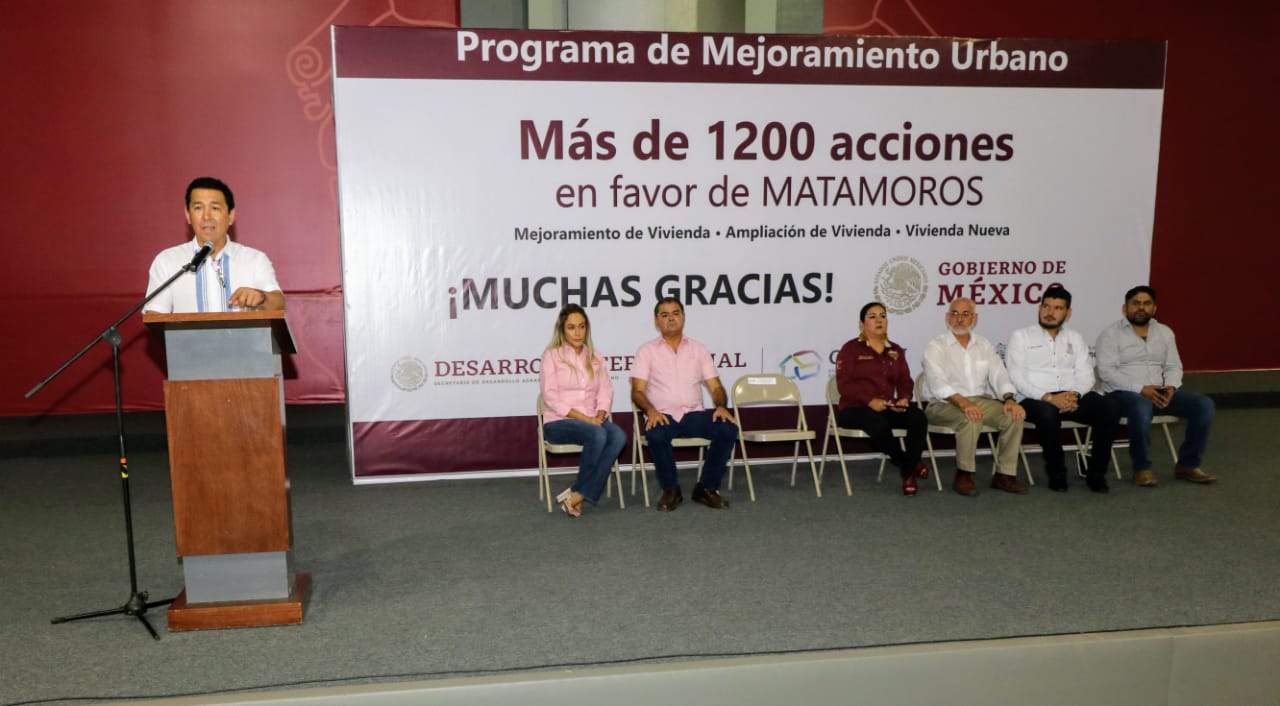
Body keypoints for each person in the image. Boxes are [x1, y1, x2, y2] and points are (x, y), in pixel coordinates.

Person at [1095, 285, 1216, 487]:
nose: (1141, 308)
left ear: (1154, 308)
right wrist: (1141, 389)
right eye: (1136, 304)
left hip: (1160, 393)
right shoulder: (1110, 335)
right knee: (1141, 405)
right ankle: (1141, 468)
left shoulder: (1165, 333)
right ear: (1125, 308)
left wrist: (1171, 388)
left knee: (1204, 405)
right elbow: (1107, 372)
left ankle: (1187, 465)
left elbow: (1173, 366)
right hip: (1123, 395)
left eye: (1146, 304)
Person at [1005, 286, 1119, 493]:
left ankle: (1096, 474)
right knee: (1048, 415)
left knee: (1108, 409)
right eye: (1046, 306)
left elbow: (1086, 374)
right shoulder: (1020, 336)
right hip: (1034, 397)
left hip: (1070, 394)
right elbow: (1016, 377)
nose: (1050, 312)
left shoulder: (1075, 338)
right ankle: (1057, 474)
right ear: (1039, 308)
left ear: (1068, 313)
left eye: (1057, 308)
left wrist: (1074, 395)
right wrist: (1049, 397)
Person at [630, 297, 738, 511]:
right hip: (662, 415)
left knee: (727, 428)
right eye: (665, 315)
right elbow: (637, 391)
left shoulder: (698, 349)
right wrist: (651, 411)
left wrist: (721, 406)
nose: (671, 318)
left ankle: (707, 488)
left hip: (693, 415)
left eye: (676, 313)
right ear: (657, 321)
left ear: (683, 317)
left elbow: (715, 386)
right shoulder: (646, 351)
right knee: (655, 435)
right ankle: (671, 490)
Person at [921, 297, 1027, 496]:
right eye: (954, 313)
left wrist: (1009, 399)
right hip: (942, 404)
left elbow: (999, 373)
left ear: (974, 318)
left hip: (979, 401)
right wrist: (963, 403)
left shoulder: (984, 344)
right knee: (970, 418)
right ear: (947, 317)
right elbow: (938, 384)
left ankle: (1004, 475)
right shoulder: (936, 346)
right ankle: (964, 474)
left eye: (965, 314)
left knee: (1014, 416)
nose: (959, 319)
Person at [145, 177, 285, 314]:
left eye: (215, 208)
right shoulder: (167, 261)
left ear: (231, 215)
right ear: (188, 215)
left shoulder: (255, 259)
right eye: (198, 208)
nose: (207, 216)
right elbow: (155, 316)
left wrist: (261, 297)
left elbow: (279, 304)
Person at [539, 304, 627, 517]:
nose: (577, 332)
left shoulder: (595, 357)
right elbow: (550, 397)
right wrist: (586, 419)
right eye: (571, 327)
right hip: (558, 422)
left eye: (581, 326)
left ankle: (578, 494)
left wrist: (600, 415)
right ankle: (581, 492)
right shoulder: (552, 356)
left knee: (618, 436)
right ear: (562, 330)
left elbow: (605, 390)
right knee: (597, 434)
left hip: (592, 419)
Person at [834, 302, 929, 496]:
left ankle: (908, 467)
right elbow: (844, 385)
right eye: (872, 317)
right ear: (862, 324)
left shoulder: (895, 350)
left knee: (918, 417)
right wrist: (869, 401)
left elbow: (904, 380)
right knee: (877, 423)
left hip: (886, 407)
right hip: (854, 409)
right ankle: (909, 467)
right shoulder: (851, 349)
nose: (879, 320)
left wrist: (903, 398)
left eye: (883, 316)